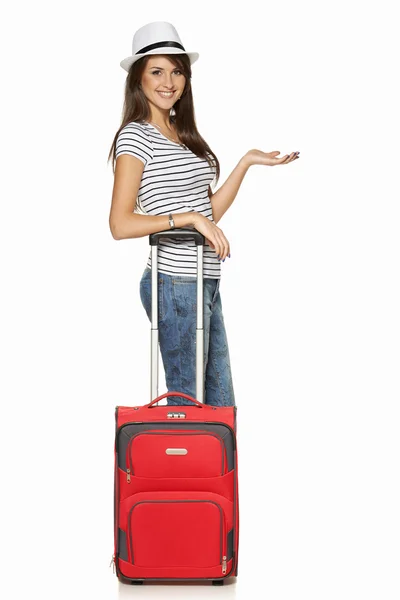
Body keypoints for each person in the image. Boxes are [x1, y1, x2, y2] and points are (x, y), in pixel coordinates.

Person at [108, 21, 299, 407]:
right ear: (138, 80)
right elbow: (120, 223)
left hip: (204, 278)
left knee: (219, 402)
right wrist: (189, 219)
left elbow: (208, 211)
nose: (169, 81)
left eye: (177, 70)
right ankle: (179, 469)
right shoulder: (136, 136)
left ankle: (212, 470)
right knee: (189, 401)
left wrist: (245, 163)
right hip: (174, 281)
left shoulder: (182, 133)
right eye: (157, 71)